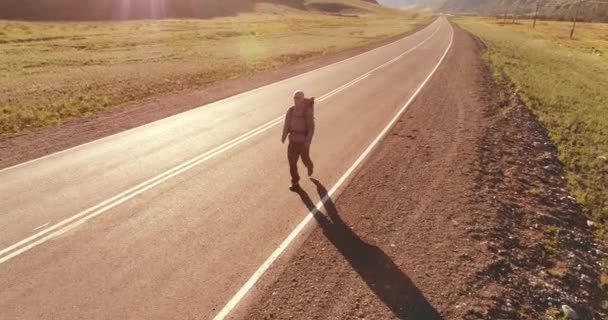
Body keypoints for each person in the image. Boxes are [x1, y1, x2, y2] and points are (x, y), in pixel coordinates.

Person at [281, 90, 315, 191]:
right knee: (292, 163)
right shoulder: (291, 110)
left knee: (305, 159)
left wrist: (308, 141)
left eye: (298, 98)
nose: (295, 100)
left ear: (302, 99)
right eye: (294, 98)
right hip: (293, 142)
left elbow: (311, 128)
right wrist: (284, 135)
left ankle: (309, 166)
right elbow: (286, 124)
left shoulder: (307, 111)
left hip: (303, 142)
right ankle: (295, 181)